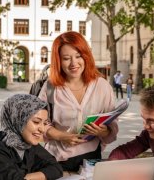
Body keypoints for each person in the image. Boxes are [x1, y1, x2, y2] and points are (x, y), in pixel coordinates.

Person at [38, 31, 118, 172]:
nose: (74, 63)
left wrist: (103, 132)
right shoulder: (50, 87)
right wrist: (60, 136)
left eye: (78, 56)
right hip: (56, 160)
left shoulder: (102, 86)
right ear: (58, 61)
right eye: (66, 58)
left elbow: (113, 130)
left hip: (91, 159)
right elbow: (38, 123)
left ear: (86, 56)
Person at [0, 94, 63, 180]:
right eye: (36, 122)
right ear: (18, 120)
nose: (42, 129)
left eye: (44, 123)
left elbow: (56, 168)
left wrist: (29, 177)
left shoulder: (27, 144)